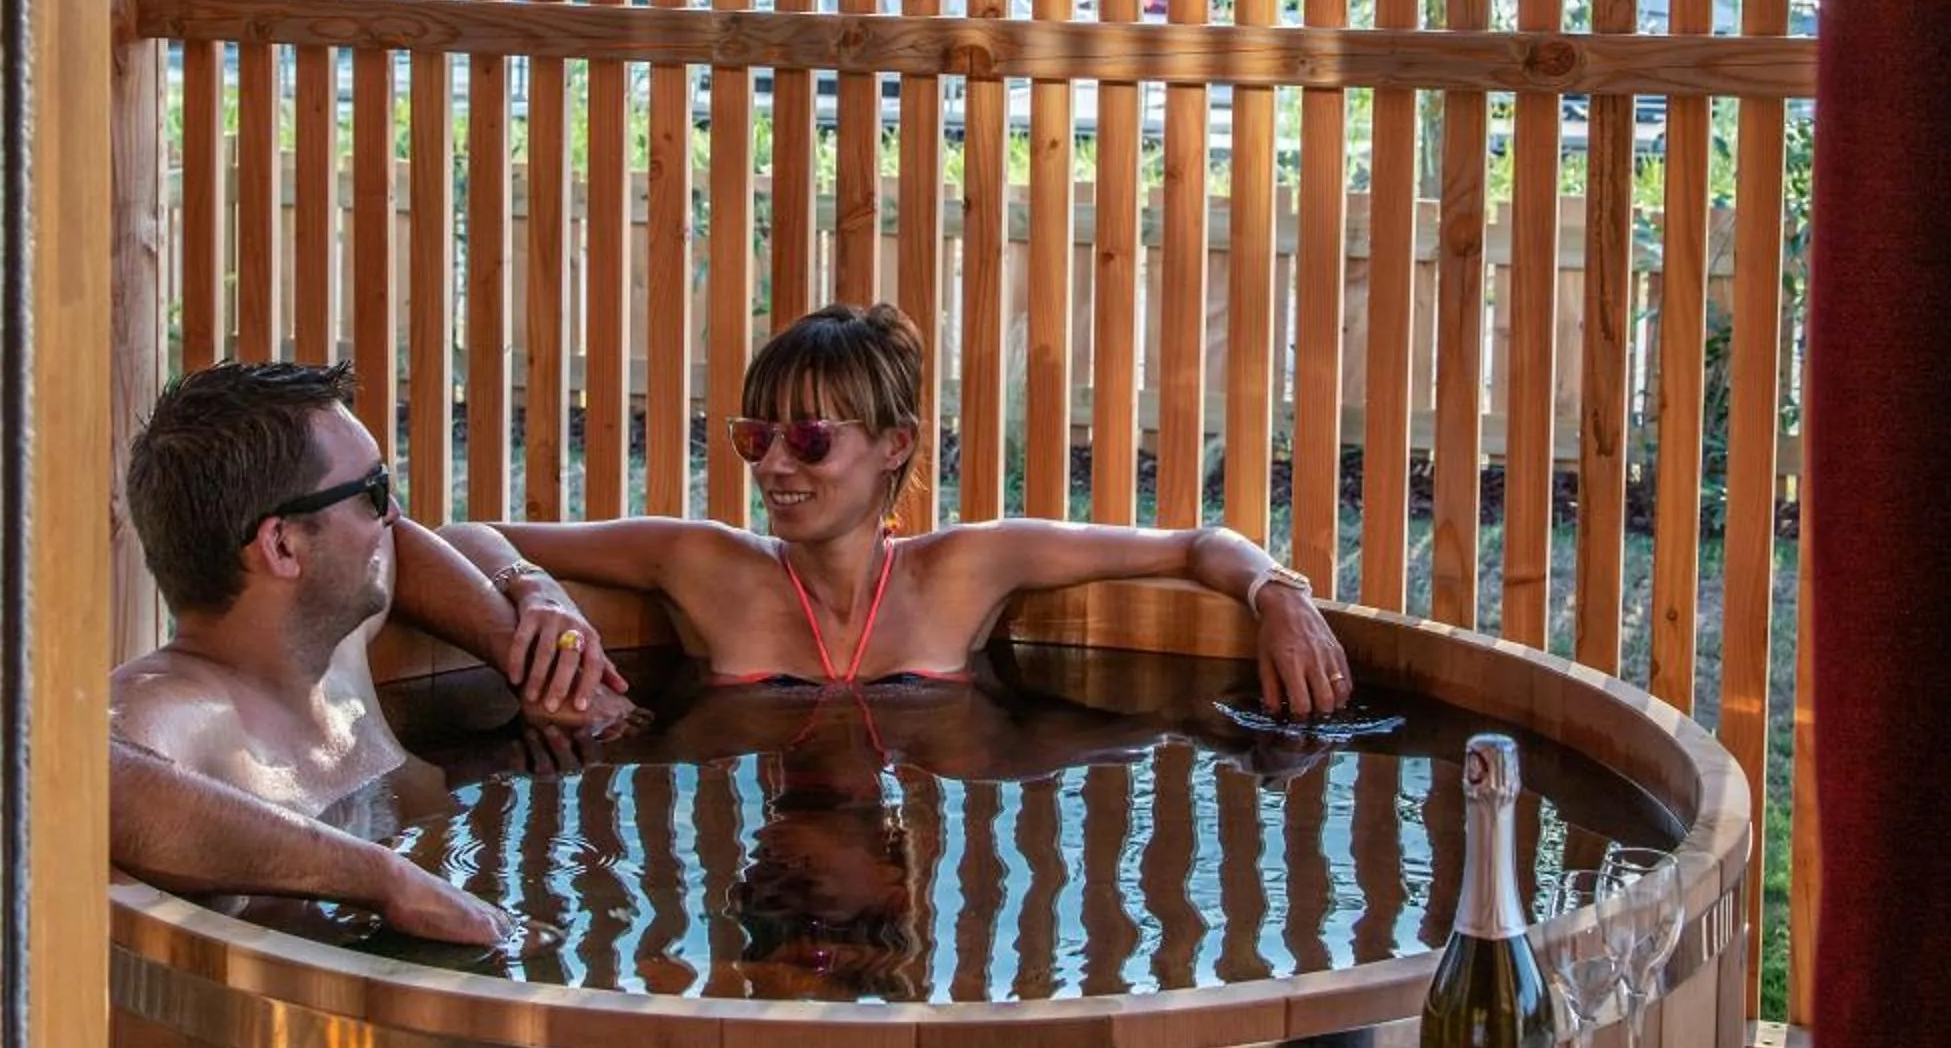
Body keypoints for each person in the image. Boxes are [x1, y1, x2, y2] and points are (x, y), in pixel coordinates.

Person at [449, 300, 1354, 716]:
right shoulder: (701, 563)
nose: (774, 465)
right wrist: (535, 590)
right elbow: (464, 533)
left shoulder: (967, 569)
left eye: (810, 439)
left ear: (895, 445)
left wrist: (1278, 594)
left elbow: (1196, 544)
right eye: (756, 436)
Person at [109, 358, 632, 946]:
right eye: (374, 492)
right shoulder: (179, 707)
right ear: (282, 545)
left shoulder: (335, 645)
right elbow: (83, 778)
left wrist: (525, 639)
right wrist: (387, 881)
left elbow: (416, 545)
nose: (395, 513)